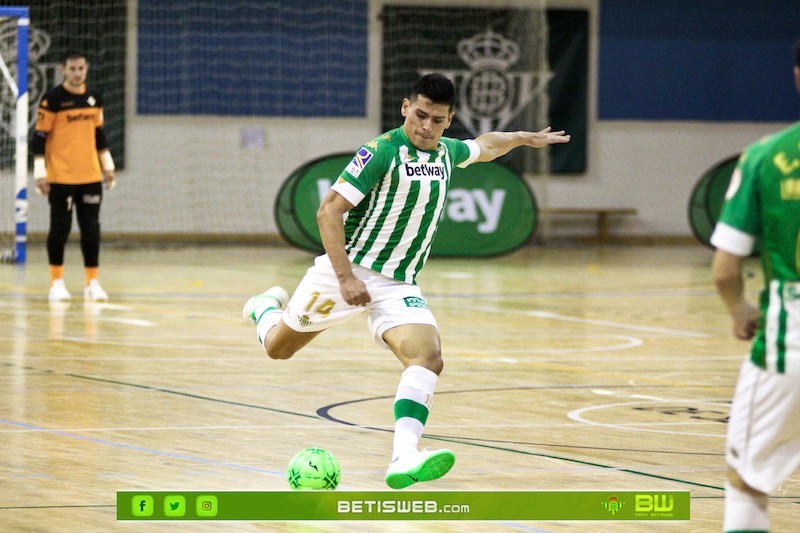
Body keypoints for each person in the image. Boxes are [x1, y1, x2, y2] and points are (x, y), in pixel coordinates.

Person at [244, 73, 570, 489]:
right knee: (278, 349)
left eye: (436, 120)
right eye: (419, 115)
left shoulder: (448, 153)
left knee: (428, 357)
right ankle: (264, 310)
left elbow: (487, 145)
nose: (425, 127)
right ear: (404, 108)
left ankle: (404, 456)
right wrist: (344, 278)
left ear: (449, 120)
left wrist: (524, 137)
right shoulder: (380, 152)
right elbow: (328, 211)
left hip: (398, 284)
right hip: (345, 272)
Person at [711, 40, 800, 533]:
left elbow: (725, 270)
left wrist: (740, 311)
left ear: (796, 76)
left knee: (746, 479)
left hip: (790, 341)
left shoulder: (767, 157)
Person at [32, 50, 116, 302]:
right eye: (72, 68)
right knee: (60, 229)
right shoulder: (52, 99)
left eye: (81, 68)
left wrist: (107, 165)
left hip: (90, 176)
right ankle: (56, 283)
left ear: (86, 69)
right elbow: (39, 137)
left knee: (91, 230)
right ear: (63, 70)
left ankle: (92, 283)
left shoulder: (94, 98)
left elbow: (99, 134)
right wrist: (40, 172)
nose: (77, 73)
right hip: (60, 177)